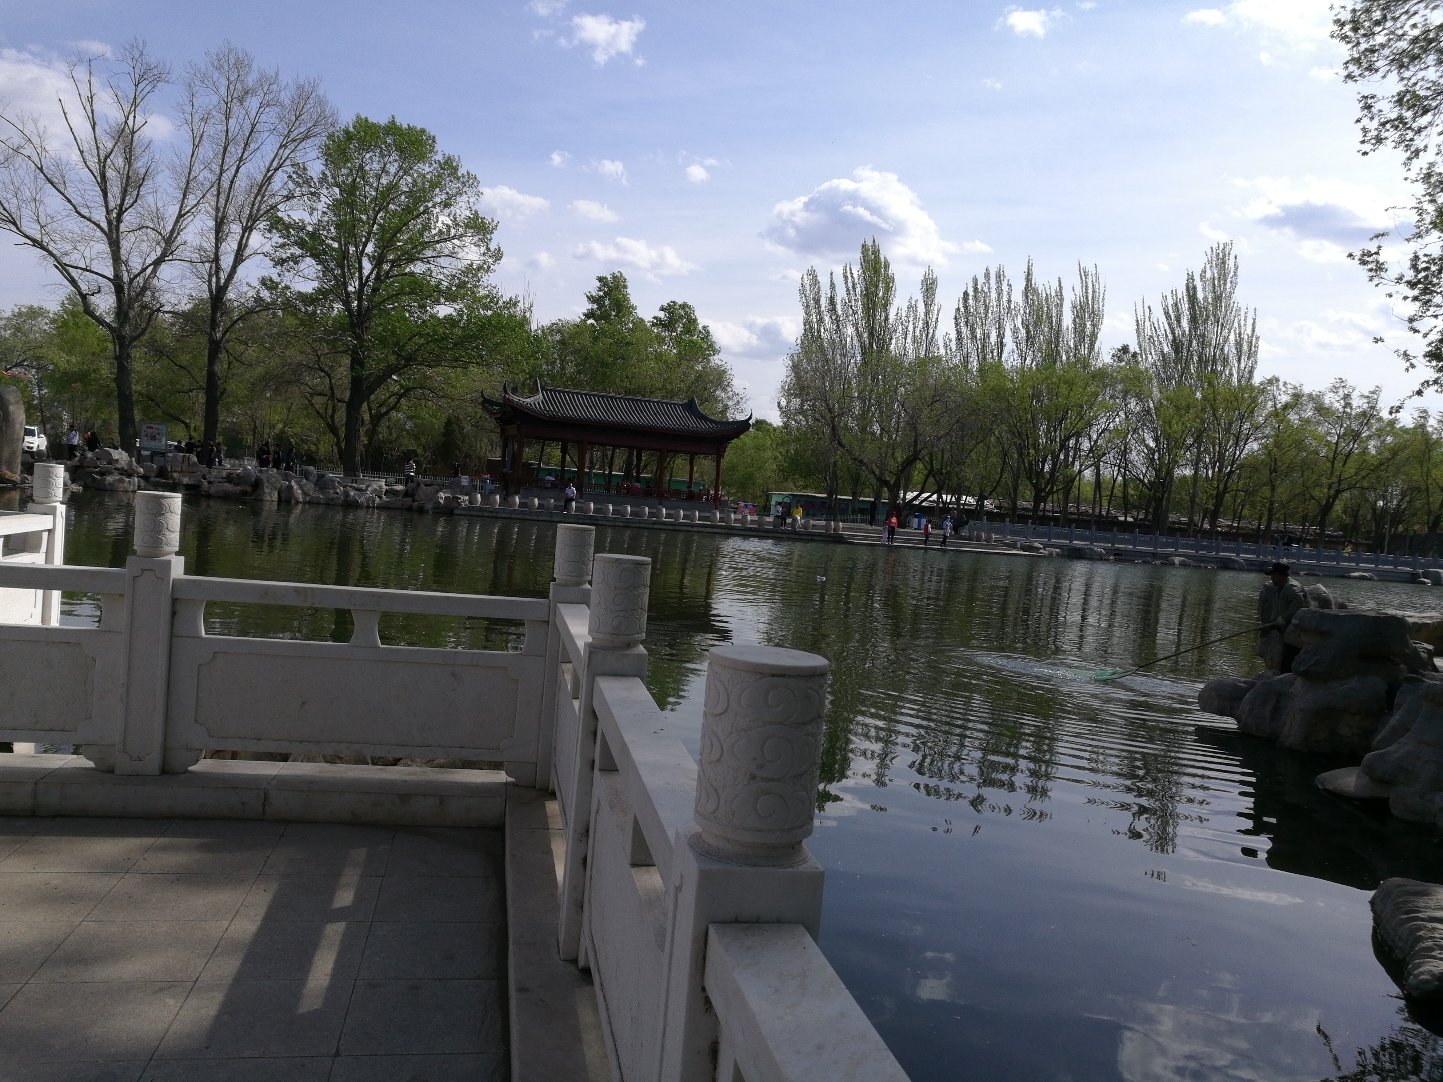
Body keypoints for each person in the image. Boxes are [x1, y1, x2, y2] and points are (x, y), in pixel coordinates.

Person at [1258, 561, 1307, 673]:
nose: (1271, 578)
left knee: (1290, 656)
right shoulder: (1280, 588)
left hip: (1297, 632)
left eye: (1272, 575)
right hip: (1286, 630)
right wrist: (1268, 624)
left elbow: (1298, 605)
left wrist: (1283, 618)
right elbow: (1277, 612)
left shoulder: (1292, 587)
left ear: (1278, 575)